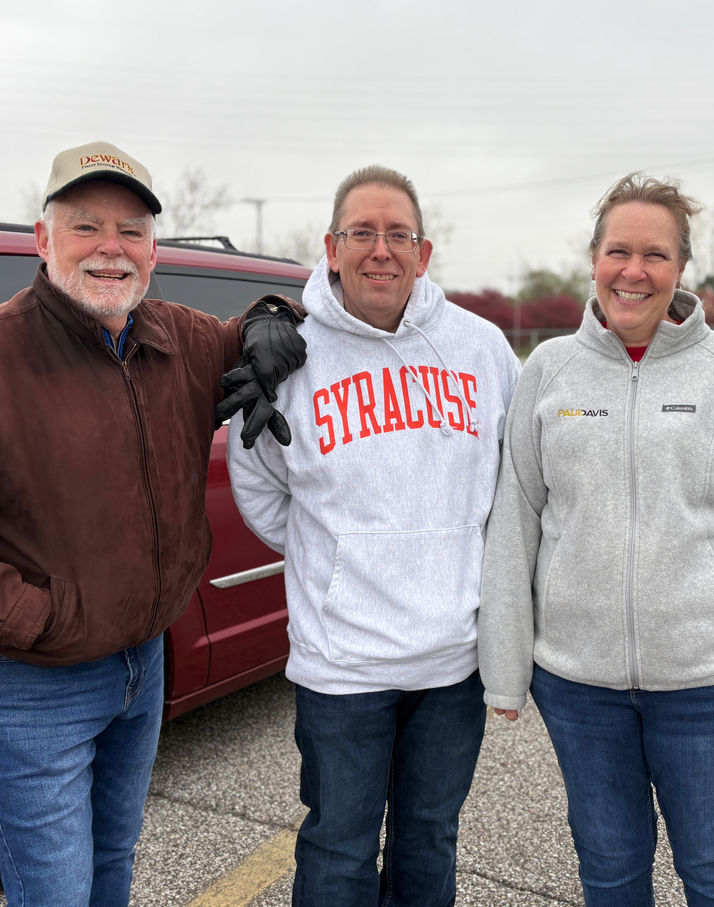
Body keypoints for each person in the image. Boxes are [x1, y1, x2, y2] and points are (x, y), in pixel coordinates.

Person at [0, 141, 306, 906]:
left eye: (130, 231)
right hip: (30, 681)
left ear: (154, 249)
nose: (110, 249)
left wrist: (269, 317)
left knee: (111, 863)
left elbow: (272, 320)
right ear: (42, 239)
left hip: (142, 668)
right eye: (86, 226)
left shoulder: (177, 340)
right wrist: (40, 615)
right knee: (54, 888)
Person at [478, 172, 714, 906]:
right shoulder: (549, 372)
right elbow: (515, 523)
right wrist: (504, 667)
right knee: (608, 870)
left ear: (681, 268)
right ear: (593, 259)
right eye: (619, 251)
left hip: (708, 685)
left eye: (655, 254)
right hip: (578, 687)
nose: (635, 271)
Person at [225, 164, 520, 906]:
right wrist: (335, 559)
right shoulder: (289, 356)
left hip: (454, 661)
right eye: (362, 233)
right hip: (341, 666)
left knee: (429, 840)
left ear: (424, 254)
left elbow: (516, 479)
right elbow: (259, 484)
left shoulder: (483, 351)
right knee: (338, 849)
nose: (380, 249)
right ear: (331, 247)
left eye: (398, 235)